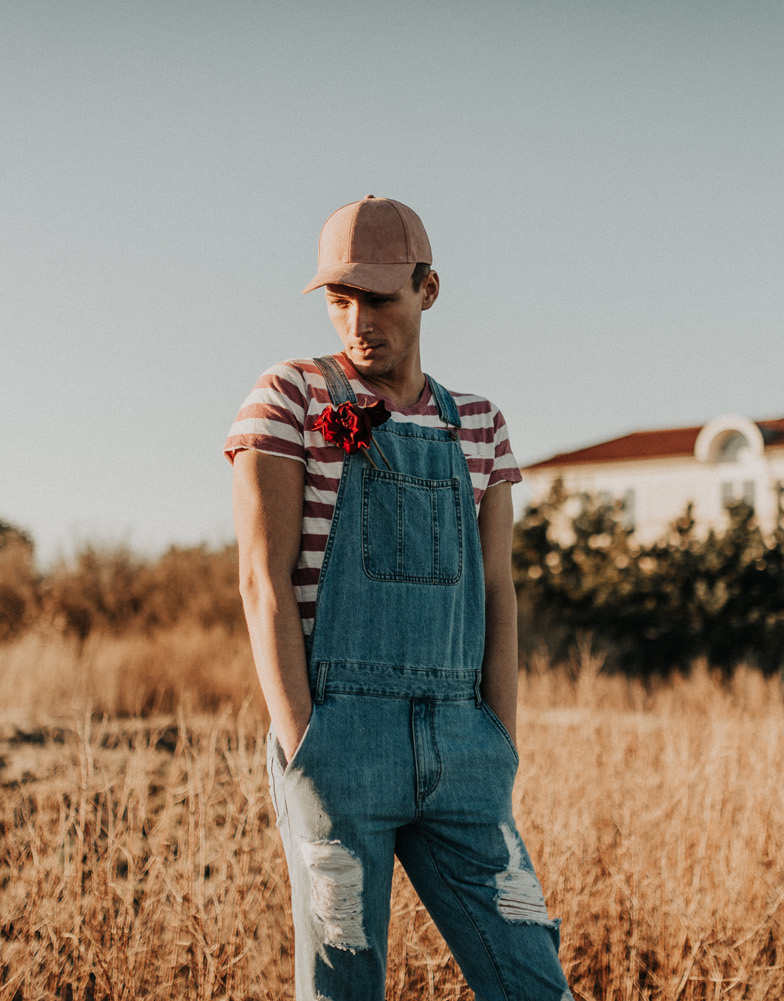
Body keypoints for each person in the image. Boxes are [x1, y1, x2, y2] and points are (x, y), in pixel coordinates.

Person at [225, 196, 571, 1001]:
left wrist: (499, 740)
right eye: (340, 300)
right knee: (344, 989)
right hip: (341, 741)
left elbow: (498, 592)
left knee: (532, 982)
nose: (357, 321)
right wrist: (306, 742)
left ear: (429, 289)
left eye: (379, 297)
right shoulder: (289, 398)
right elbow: (261, 579)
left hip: (465, 746)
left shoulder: (479, 424)